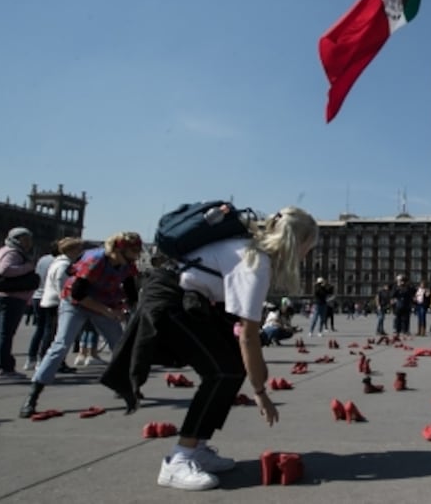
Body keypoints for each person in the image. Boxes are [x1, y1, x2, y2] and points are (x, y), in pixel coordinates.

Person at [103, 207, 318, 491]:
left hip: (186, 299)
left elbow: (242, 329)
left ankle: (198, 445)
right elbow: (249, 337)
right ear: (294, 243)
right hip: (171, 300)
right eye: (308, 247)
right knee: (223, 372)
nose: (307, 255)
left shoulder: (246, 248)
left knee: (229, 369)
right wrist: (261, 392)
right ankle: (179, 460)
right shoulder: (254, 262)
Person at [19, 232, 141, 417]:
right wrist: (107, 311)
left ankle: (123, 386)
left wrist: (130, 311)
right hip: (76, 304)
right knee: (61, 346)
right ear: (118, 250)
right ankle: (33, 396)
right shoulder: (95, 260)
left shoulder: (127, 264)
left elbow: (131, 291)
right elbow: (78, 294)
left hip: (104, 303)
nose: (137, 255)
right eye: (133, 251)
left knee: (120, 346)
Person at [0, 227, 39, 380]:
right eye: (25, 239)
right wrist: (28, 267)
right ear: (16, 239)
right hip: (11, 297)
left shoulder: (2, 251)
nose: (29, 243)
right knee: (5, 334)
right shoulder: (14, 252)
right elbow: (5, 270)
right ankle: (5, 369)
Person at [36, 238, 84, 375]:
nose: (79, 252)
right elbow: (61, 284)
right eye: (77, 249)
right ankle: (51, 362)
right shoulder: (64, 265)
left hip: (51, 300)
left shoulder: (57, 262)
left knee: (52, 334)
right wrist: (66, 299)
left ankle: (51, 361)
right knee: (55, 335)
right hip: (56, 302)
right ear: (70, 250)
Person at [24, 241, 57, 369]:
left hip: (37, 295)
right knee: (50, 330)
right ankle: (42, 359)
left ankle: (31, 358)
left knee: (39, 329)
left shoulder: (43, 259)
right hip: (50, 297)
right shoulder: (58, 262)